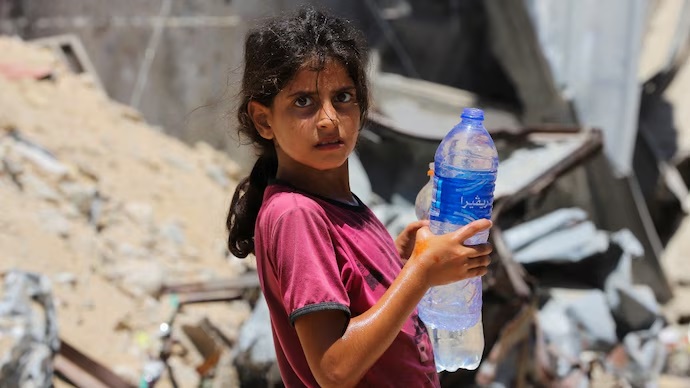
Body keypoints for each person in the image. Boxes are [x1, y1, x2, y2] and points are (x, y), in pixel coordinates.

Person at [226, 7, 492, 387]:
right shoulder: (296, 214)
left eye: (343, 97)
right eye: (303, 101)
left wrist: (400, 263)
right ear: (264, 120)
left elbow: (362, 307)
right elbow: (334, 369)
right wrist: (419, 274)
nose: (328, 120)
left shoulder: (343, 206)